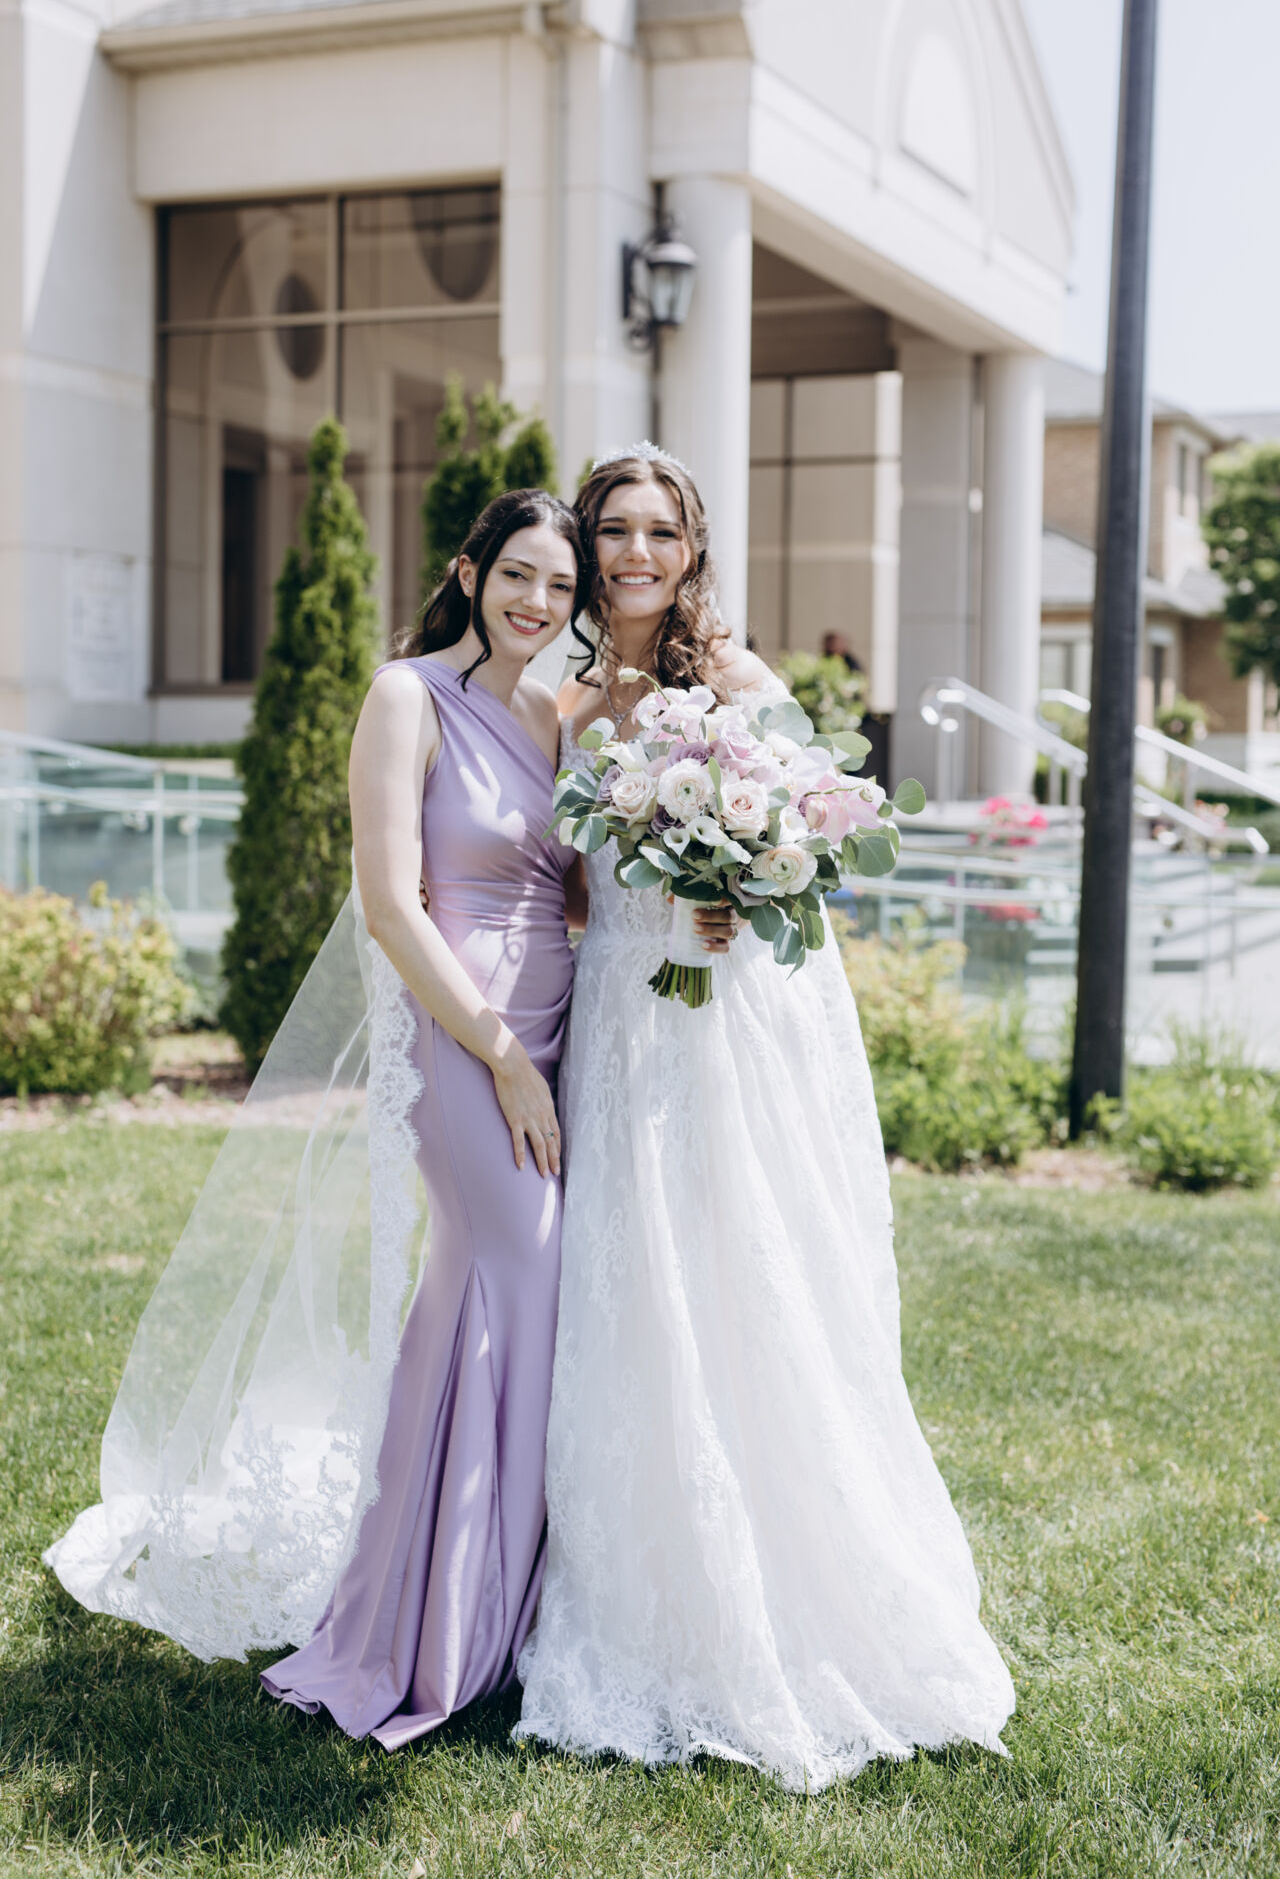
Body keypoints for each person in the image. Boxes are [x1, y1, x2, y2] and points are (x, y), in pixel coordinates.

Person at [46, 488, 587, 1750]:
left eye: (559, 587)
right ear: (468, 573)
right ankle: (432, 1631)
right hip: (466, 1039)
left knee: (491, 1307)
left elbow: (564, 887)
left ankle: (468, 1599)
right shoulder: (408, 697)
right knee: (517, 1274)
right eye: (517, 574)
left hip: (558, 1030)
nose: (538, 602)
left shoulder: (551, 715)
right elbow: (392, 905)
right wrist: (502, 1056)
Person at [514, 445, 1015, 1792]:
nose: (634, 554)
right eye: (612, 529)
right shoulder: (561, 698)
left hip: (724, 1017)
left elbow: (817, 847)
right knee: (633, 1281)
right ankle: (630, 1585)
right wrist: (633, 886)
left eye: (659, 532)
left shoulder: (734, 680)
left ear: (691, 550)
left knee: (745, 1267)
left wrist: (737, 878)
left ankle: (790, 1583)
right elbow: (566, 885)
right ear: (586, 544)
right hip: (618, 1011)